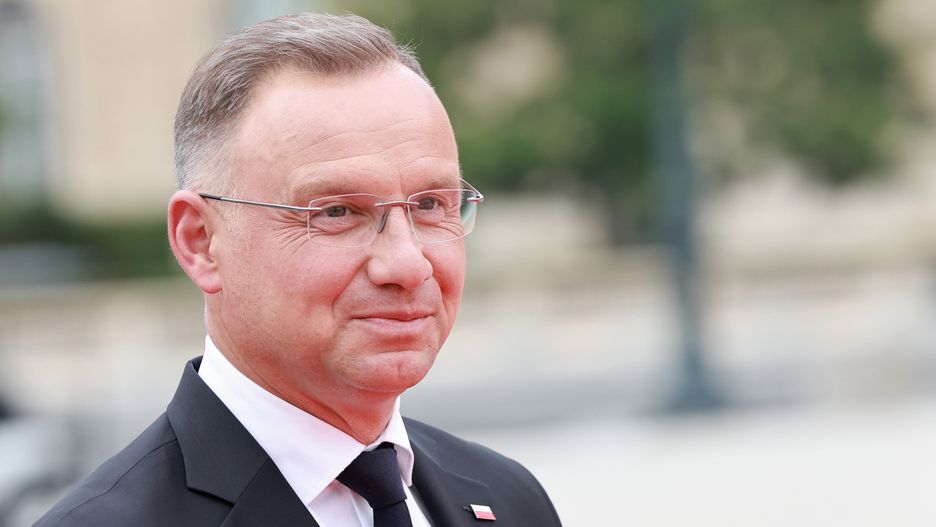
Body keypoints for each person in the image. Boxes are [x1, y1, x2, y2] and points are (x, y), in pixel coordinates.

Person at [35, 12, 562, 527]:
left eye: (429, 205)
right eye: (337, 212)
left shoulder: (510, 497)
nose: (406, 263)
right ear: (201, 242)